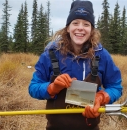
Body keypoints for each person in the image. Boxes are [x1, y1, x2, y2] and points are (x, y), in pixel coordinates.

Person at [28, 1, 123, 130]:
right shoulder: (49, 55)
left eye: (86, 24)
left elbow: (116, 87)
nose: (80, 28)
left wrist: (101, 97)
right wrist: (52, 88)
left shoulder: (102, 56)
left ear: (91, 30)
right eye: (75, 23)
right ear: (68, 28)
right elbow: (33, 87)